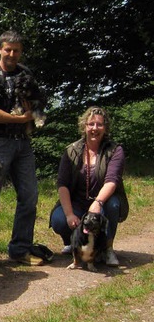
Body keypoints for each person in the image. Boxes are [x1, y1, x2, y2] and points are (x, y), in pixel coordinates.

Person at [0, 30, 43, 267]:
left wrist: (32, 117)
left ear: (21, 51)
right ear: (0, 49)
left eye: (16, 50)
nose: (12, 54)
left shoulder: (26, 73)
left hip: (23, 143)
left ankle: (20, 250)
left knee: (29, 196)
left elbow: (36, 101)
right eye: (8, 49)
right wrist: (20, 119)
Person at [49, 107, 126, 266]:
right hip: (77, 202)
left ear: (106, 128)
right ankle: (74, 243)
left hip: (104, 200)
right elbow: (62, 184)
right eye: (91, 124)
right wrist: (69, 214)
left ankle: (107, 248)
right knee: (59, 219)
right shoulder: (71, 151)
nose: (95, 128)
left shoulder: (115, 150)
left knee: (113, 205)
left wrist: (97, 203)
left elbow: (112, 181)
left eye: (99, 125)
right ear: (84, 126)